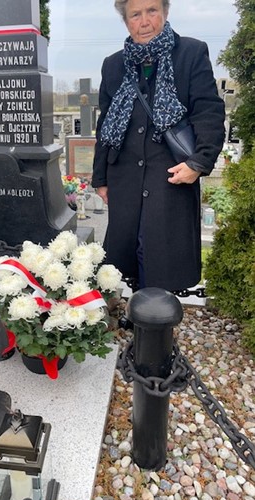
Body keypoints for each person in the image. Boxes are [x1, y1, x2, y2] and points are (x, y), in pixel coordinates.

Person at [92, 0, 225, 291]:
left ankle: (159, 318)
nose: (144, 21)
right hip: (125, 179)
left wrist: (199, 162)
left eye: (152, 11)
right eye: (135, 14)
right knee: (129, 259)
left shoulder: (190, 53)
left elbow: (208, 112)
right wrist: (100, 178)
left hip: (171, 177)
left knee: (162, 261)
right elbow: (106, 124)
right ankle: (140, 313)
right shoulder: (113, 65)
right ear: (126, 21)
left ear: (165, 12)